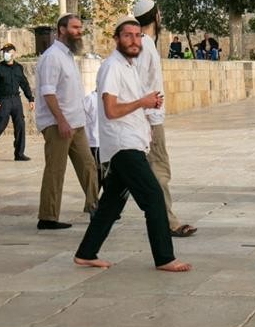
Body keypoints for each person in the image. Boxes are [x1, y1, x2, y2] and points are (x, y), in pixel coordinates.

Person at [73, 17, 191, 273]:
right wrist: (142, 103)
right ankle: (164, 258)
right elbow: (111, 109)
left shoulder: (129, 67)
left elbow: (132, 104)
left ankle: (86, 252)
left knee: (111, 204)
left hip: (133, 143)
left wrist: (146, 109)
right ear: (116, 39)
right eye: (128, 36)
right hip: (122, 146)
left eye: (138, 36)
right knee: (154, 198)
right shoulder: (112, 67)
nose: (134, 41)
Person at [133, 0, 196, 238]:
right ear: (156, 17)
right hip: (150, 120)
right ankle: (168, 222)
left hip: (146, 118)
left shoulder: (143, 45)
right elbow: (138, 86)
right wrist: (146, 120)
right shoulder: (145, 45)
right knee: (160, 171)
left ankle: (101, 213)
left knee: (123, 178)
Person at [35, 15, 99, 230]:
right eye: (74, 27)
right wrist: (60, 120)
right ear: (62, 29)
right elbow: (48, 92)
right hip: (58, 125)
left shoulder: (68, 56)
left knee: (89, 165)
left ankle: (95, 207)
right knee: (56, 170)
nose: (79, 31)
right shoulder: (52, 57)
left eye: (80, 27)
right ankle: (47, 217)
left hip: (76, 123)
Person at [0, 44, 34, 161]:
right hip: (3, 100)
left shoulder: (18, 68)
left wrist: (30, 99)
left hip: (16, 100)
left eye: (8, 51)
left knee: (20, 125)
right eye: (4, 51)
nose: (6, 53)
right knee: (0, 126)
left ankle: (19, 153)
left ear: (14, 53)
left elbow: (24, 84)